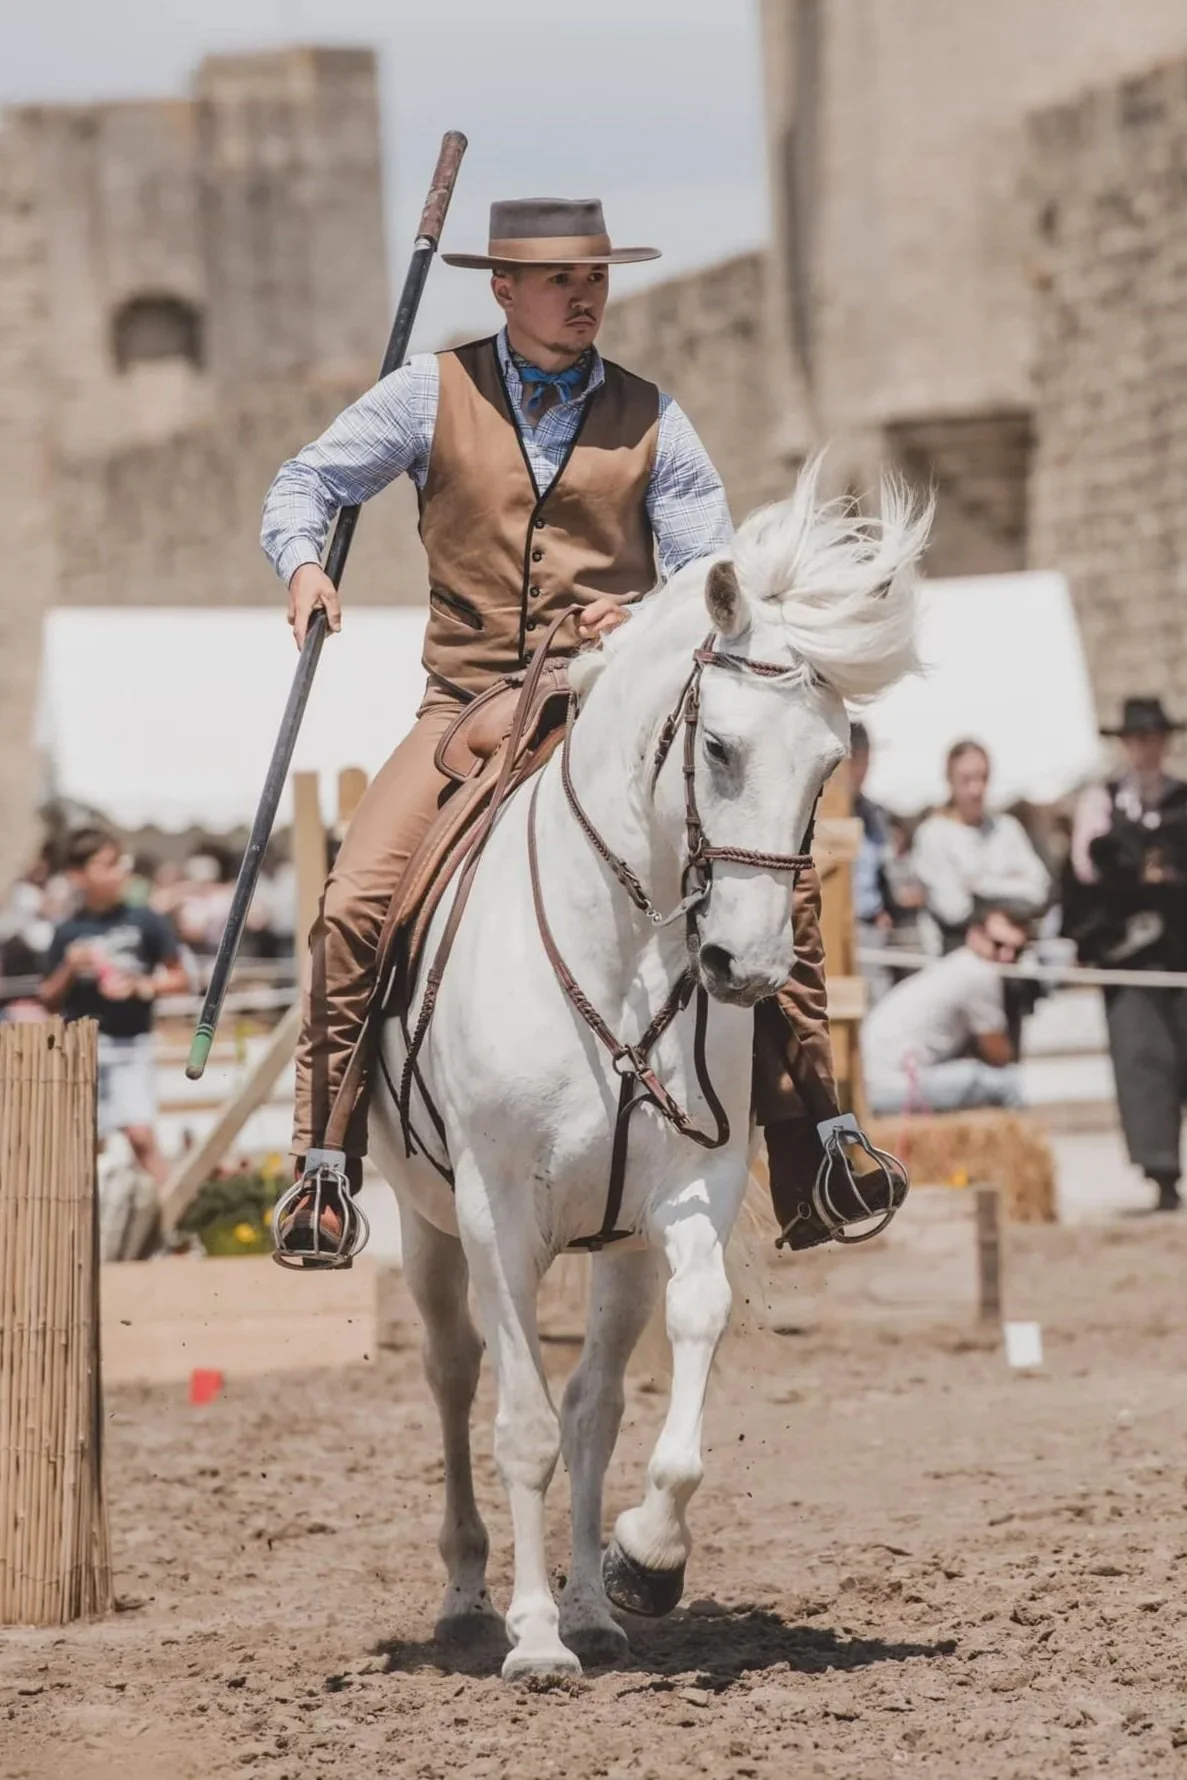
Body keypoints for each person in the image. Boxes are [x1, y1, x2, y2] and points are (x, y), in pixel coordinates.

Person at [260, 194, 895, 1261]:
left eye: (594, 277)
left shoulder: (657, 415)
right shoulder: (427, 393)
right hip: (463, 709)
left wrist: (647, 612)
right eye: (559, 280)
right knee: (353, 902)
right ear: (501, 288)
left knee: (771, 873)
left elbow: (709, 578)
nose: (582, 295)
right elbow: (306, 479)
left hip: (609, 704)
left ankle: (817, 1139)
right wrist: (305, 560)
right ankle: (324, 1165)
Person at [1064, 697, 1187, 1213]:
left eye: (1152, 737)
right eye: (1136, 738)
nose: (1145, 747)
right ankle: (1161, 1173)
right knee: (1143, 1062)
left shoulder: (1183, 799)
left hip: (1180, 948)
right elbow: (1084, 870)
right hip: (1129, 954)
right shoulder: (1103, 802)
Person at [41, 828, 187, 1188]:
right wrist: (69, 969)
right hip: (81, 1047)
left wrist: (142, 986)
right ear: (78, 875)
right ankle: (87, 1232)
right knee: (87, 1142)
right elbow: (47, 996)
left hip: (131, 1042)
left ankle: (172, 1230)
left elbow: (180, 977)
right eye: (106, 865)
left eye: (120, 863)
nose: (119, 872)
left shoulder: (145, 919)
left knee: (141, 1136)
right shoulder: (68, 929)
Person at [861, 900, 1031, 1116]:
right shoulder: (979, 973)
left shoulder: (958, 965)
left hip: (878, 1079)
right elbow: (997, 1054)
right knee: (1009, 1084)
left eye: (1016, 950)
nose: (1007, 956)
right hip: (890, 1085)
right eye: (998, 945)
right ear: (974, 935)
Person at [910, 740, 1050, 953]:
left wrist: (980, 886)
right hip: (957, 954)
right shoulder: (933, 835)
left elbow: (1038, 889)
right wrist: (1009, 888)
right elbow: (953, 908)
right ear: (949, 780)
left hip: (1012, 953)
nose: (976, 789)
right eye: (966, 780)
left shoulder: (1007, 828)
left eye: (982, 778)